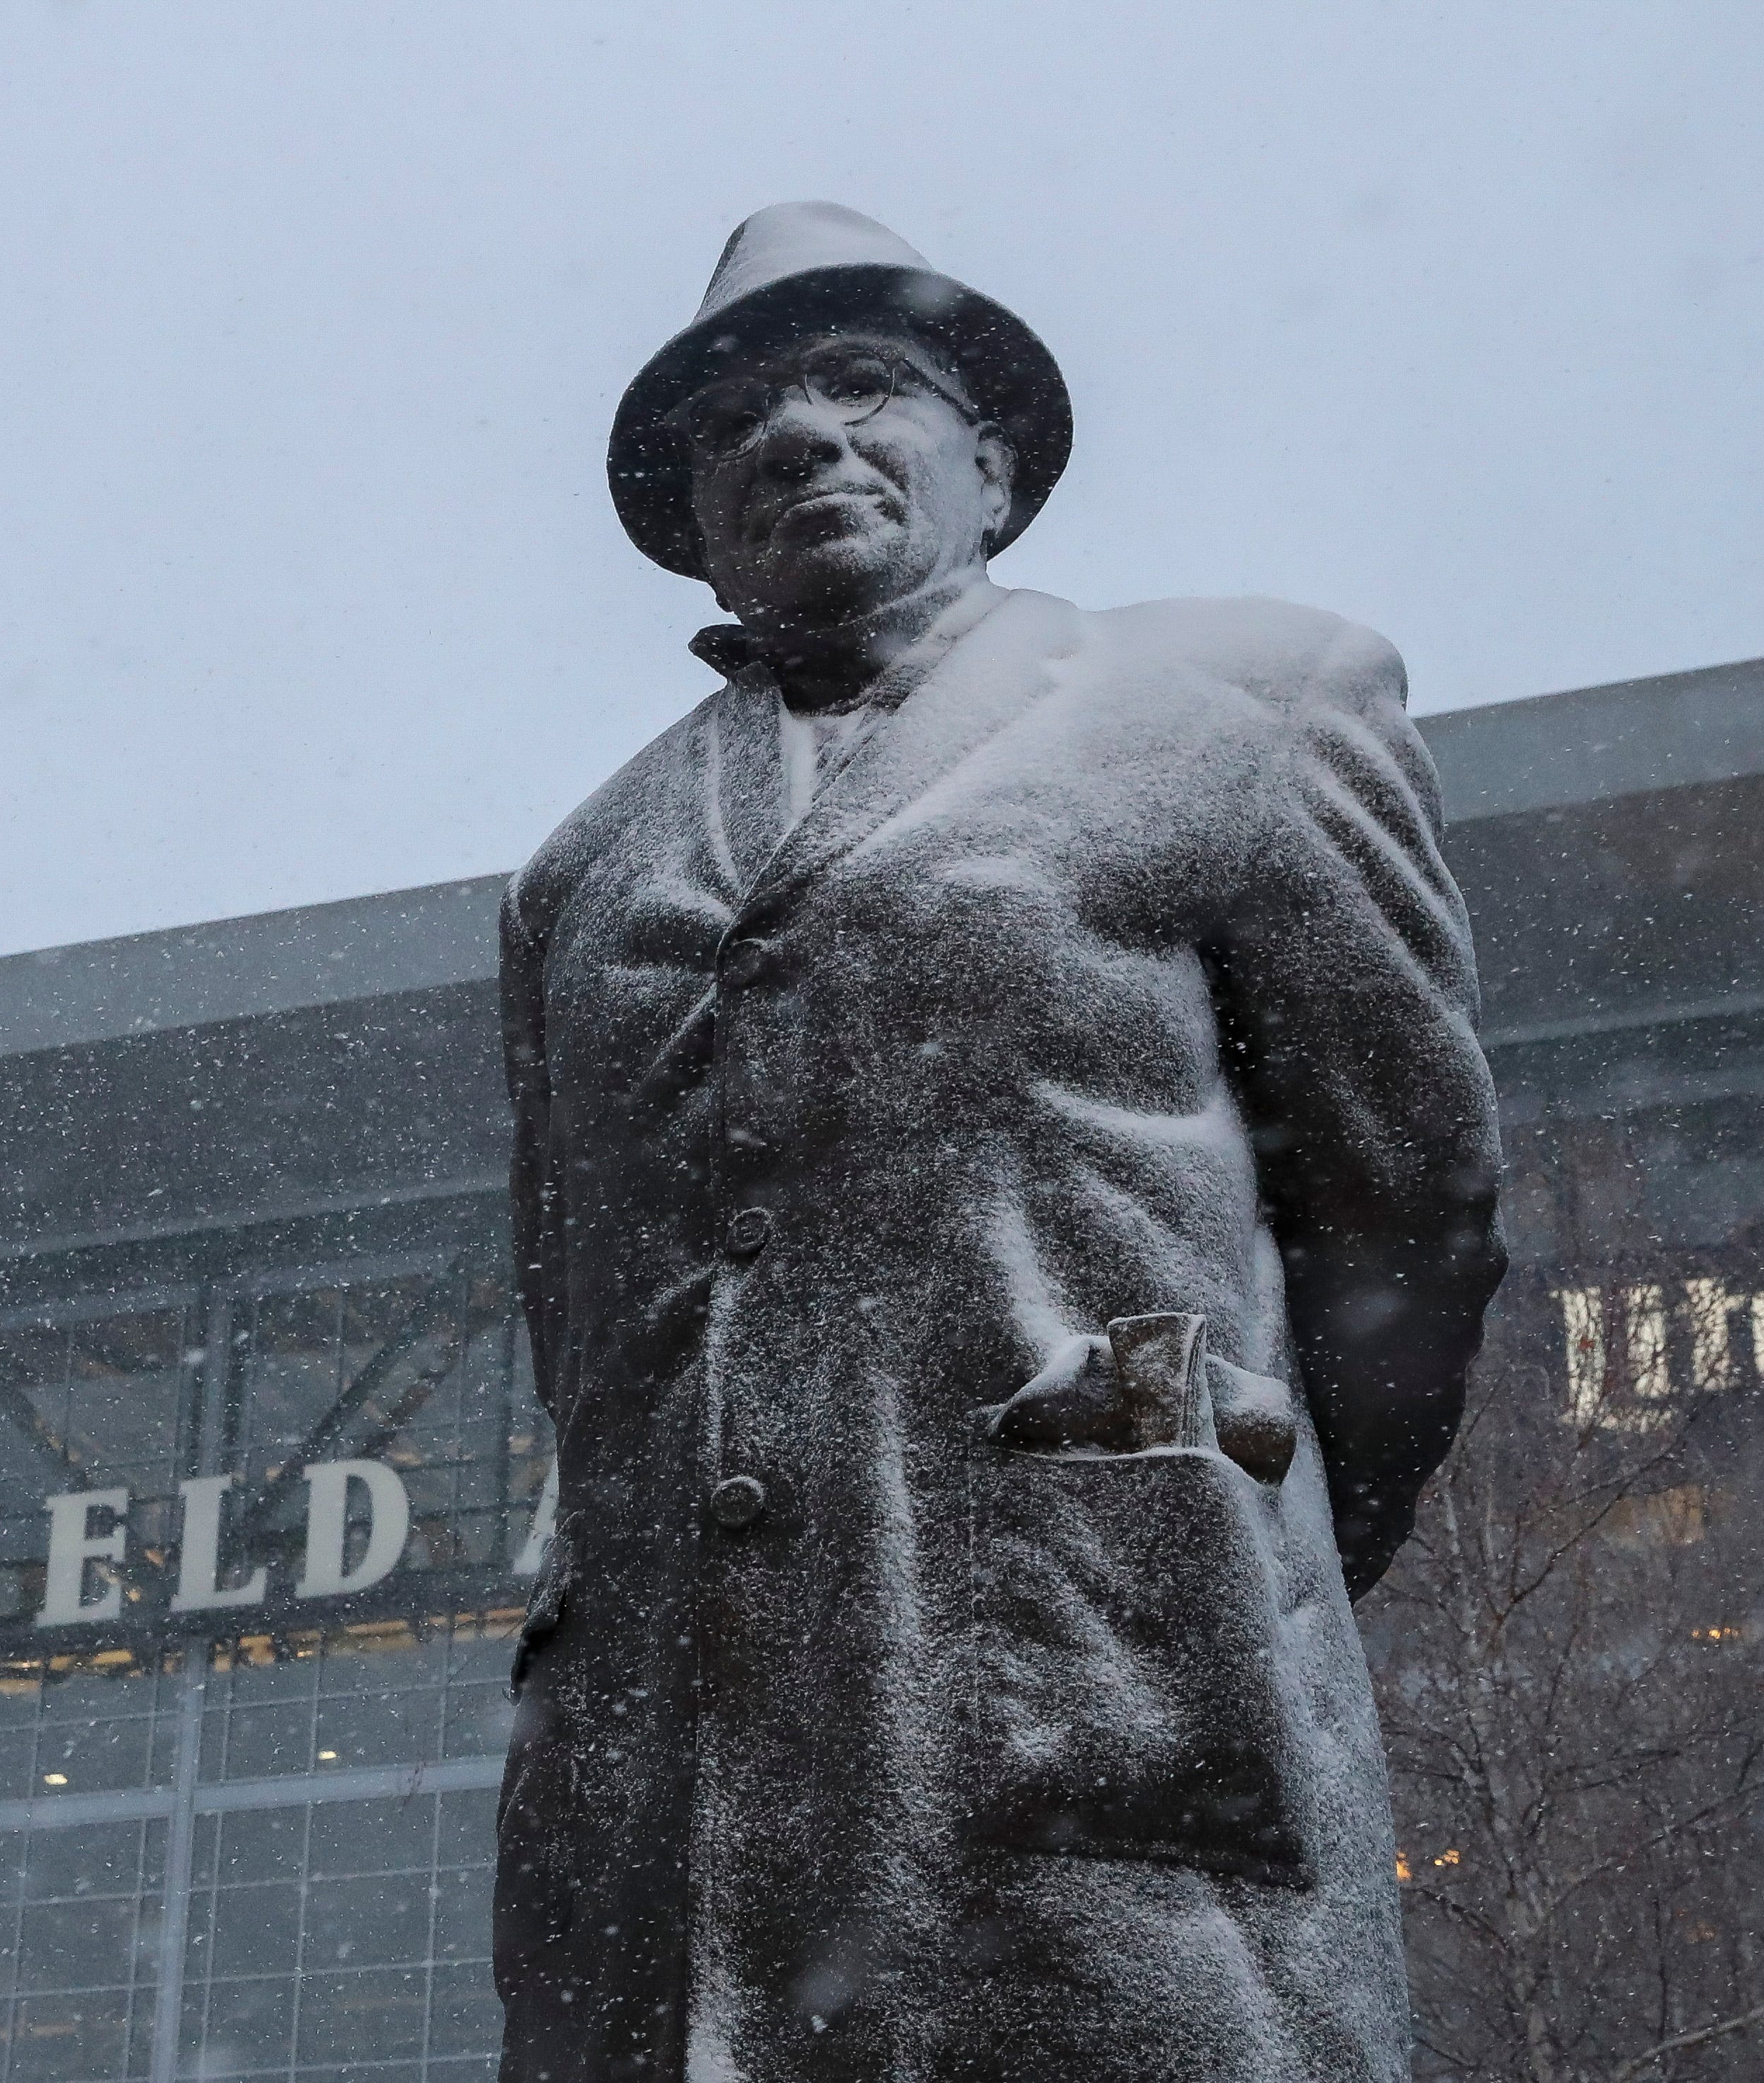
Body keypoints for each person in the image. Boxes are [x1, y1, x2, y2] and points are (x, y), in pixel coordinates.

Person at [494, 202, 1506, 2083]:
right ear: (694, 513)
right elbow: (590, 1332)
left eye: (864, 383)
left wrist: (1188, 1507)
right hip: (671, 1802)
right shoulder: (578, 876)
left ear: (995, 463)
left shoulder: (1234, 714)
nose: (795, 435)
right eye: (732, 424)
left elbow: (1403, 1216)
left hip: (1097, 1698)